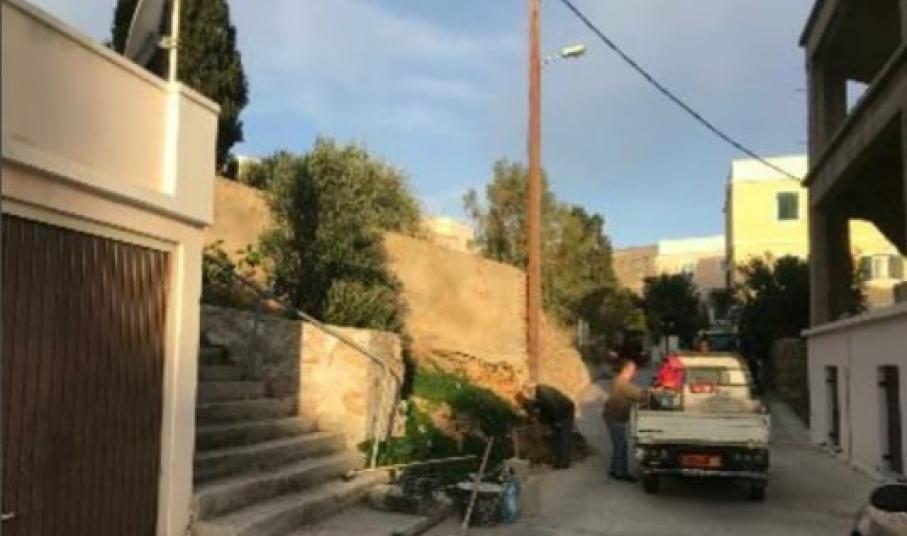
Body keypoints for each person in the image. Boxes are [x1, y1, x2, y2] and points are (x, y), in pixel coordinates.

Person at [603, 358, 648, 482]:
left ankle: (615, 469)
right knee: (621, 445)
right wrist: (653, 393)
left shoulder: (619, 380)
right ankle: (620, 472)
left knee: (619, 444)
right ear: (626, 369)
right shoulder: (622, 383)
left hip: (613, 416)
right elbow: (640, 395)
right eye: (633, 369)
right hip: (615, 417)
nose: (635, 372)